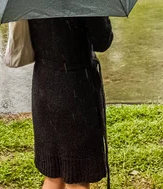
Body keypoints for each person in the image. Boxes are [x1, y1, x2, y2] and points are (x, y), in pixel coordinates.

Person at [28, 16, 113, 189]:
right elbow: (102, 41)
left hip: (44, 84)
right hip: (76, 89)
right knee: (78, 178)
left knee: (53, 175)